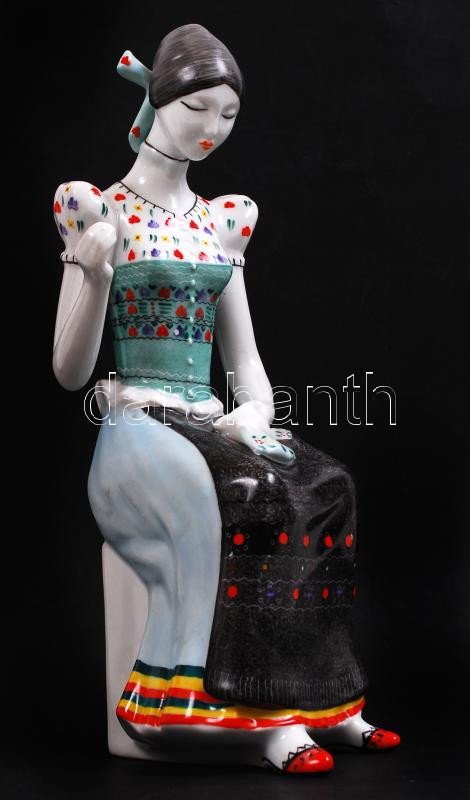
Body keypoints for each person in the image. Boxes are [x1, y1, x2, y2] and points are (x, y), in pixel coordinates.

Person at [52, 23, 400, 775]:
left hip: (210, 423)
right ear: (158, 98)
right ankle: (237, 715)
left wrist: (254, 412)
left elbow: (246, 364)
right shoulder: (98, 210)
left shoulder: (221, 222)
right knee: (250, 493)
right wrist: (96, 275)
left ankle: (323, 701)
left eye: (229, 114)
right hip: (138, 426)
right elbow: (69, 372)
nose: (212, 128)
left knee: (328, 484)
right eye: (198, 108)